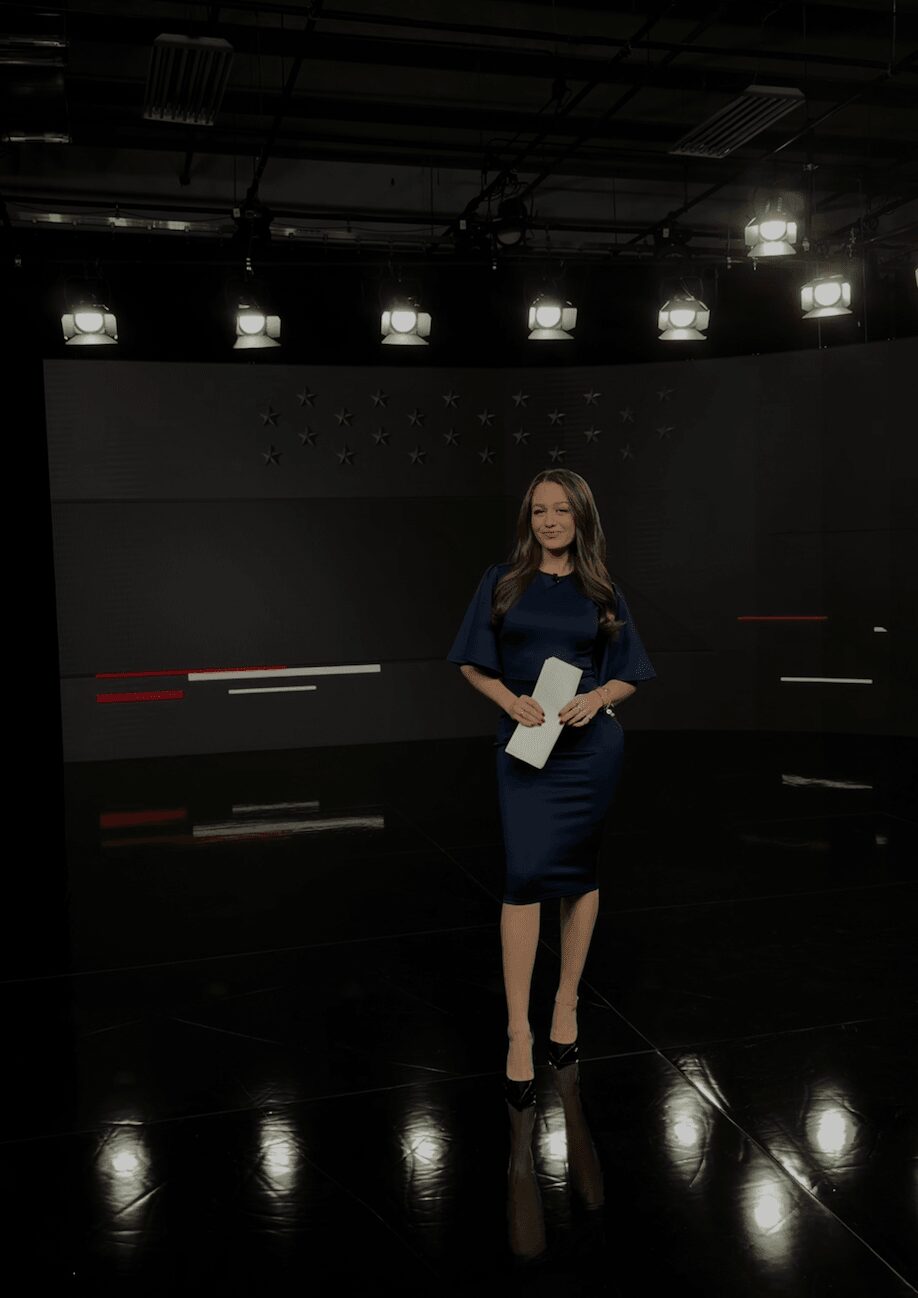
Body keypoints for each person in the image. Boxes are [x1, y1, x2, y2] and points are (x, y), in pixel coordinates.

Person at [446, 469, 657, 1115]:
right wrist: (510, 700)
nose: (549, 521)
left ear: (581, 517)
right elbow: (471, 662)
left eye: (562, 510)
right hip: (526, 747)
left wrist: (598, 697)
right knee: (522, 880)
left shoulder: (602, 589)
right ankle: (519, 1030)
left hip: (589, 752)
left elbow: (631, 673)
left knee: (579, 875)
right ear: (528, 519)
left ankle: (566, 1002)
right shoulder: (502, 580)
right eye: (539, 510)